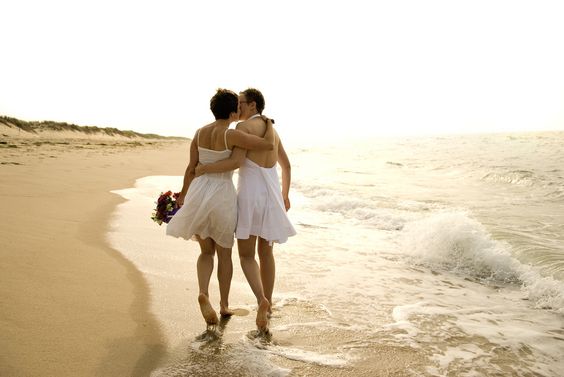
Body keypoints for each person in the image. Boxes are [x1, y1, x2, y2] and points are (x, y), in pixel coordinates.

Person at [166, 88, 275, 326]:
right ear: (233, 111)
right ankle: (224, 305)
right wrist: (268, 124)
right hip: (222, 193)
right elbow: (265, 146)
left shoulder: (199, 133)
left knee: (206, 251)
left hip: (199, 192)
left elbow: (190, 167)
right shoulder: (231, 135)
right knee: (225, 254)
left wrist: (184, 195)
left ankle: (204, 292)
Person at [195, 88, 296, 331]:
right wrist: (285, 194)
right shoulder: (274, 132)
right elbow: (287, 166)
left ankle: (260, 299)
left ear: (252, 105)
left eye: (241, 103)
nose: (237, 108)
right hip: (272, 198)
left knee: (247, 256)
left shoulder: (241, 130)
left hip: (249, 198)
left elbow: (236, 161)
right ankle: (268, 304)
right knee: (267, 253)